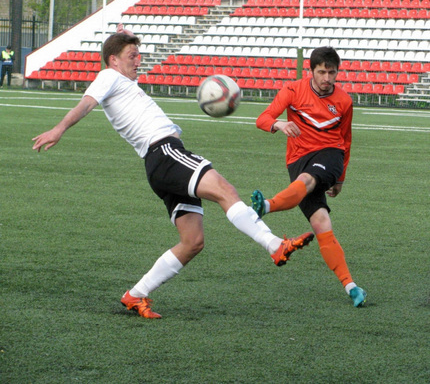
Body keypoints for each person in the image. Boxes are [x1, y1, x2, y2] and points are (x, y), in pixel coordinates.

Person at [32, 24, 313, 319]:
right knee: (225, 191)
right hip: (165, 153)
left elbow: (114, 67)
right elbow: (86, 104)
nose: (138, 60)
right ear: (113, 60)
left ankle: (135, 295)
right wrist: (59, 129)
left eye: (138, 55)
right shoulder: (108, 76)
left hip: (158, 163)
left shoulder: (120, 80)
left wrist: (122, 37)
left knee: (192, 242)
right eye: (132, 56)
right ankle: (274, 245)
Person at [251, 46, 366, 308]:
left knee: (307, 180)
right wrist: (279, 124)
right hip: (298, 158)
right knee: (321, 222)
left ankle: (266, 206)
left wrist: (341, 178)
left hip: (331, 154)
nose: (327, 78)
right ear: (311, 70)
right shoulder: (293, 90)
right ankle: (351, 287)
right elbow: (263, 119)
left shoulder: (344, 101)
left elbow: (346, 140)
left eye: (332, 73)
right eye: (322, 72)